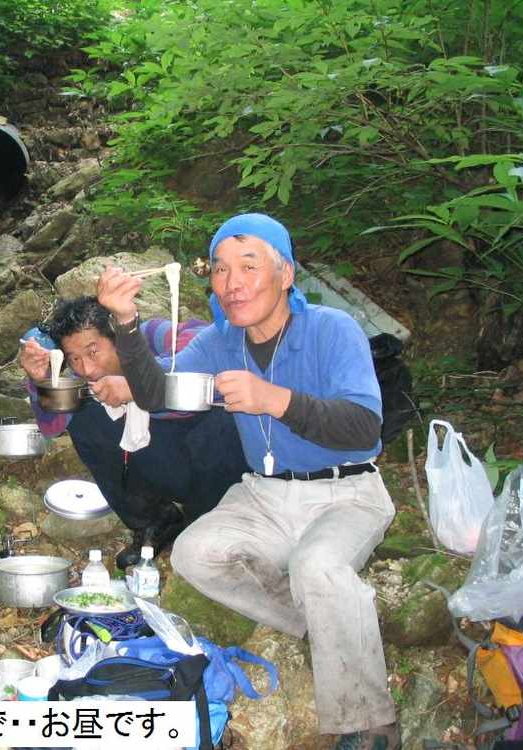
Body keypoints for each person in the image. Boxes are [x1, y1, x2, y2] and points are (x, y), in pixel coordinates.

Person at [97, 213, 398, 750]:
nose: (232, 282)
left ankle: (368, 724)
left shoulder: (332, 329)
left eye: (248, 266)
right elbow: (157, 393)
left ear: (286, 274)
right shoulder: (222, 341)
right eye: (220, 269)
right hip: (267, 493)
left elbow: (364, 428)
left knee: (317, 565)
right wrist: (125, 322)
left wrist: (274, 400)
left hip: (347, 492)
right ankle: (326, 623)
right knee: (195, 553)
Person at [19, 296, 248, 570]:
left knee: (222, 419)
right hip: (167, 462)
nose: (87, 368)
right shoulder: (91, 384)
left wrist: (137, 385)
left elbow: (213, 352)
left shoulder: (154, 335)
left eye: (93, 351)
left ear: (116, 336)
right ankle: (154, 522)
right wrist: (39, 381)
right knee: (83, 413)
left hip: (221, 469)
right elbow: (51, 427)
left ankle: (210, 519)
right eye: (74, 359)